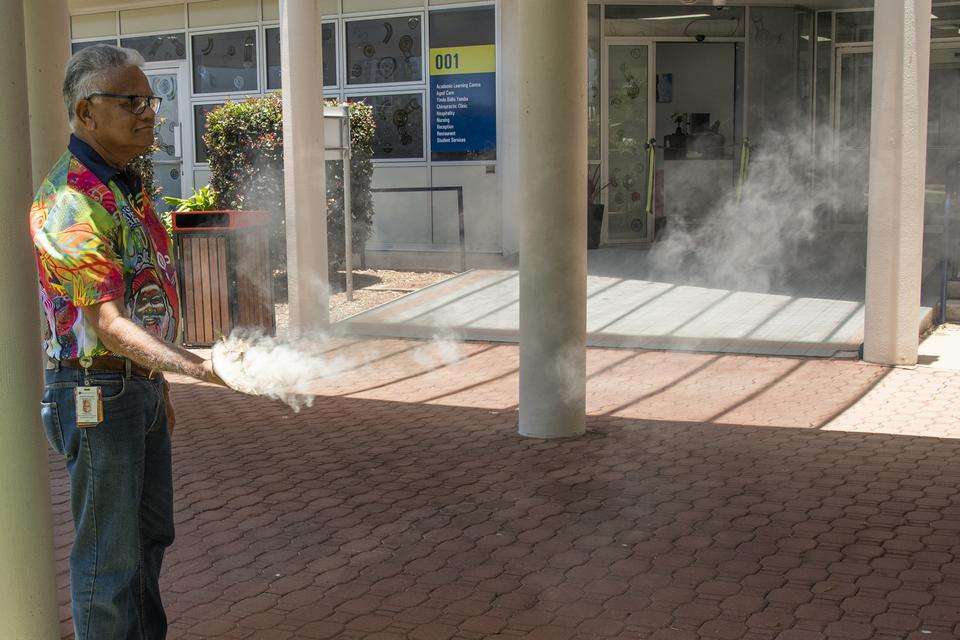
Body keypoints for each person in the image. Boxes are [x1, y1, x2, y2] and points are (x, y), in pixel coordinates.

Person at [30, 44, 222, 640]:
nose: (148, 113)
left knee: (147, 541)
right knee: (108, 561)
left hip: (134, 388)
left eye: (150, 100)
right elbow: (107, 323)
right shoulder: (70, 202)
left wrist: (158, 381)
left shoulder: (129, 188)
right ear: (86, 113)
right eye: (130, 101)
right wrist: (202, 369)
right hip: (96, 394)